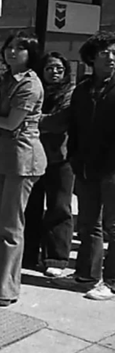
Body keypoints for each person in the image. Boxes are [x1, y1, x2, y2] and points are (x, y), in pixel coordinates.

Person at [0, 32, 47, 307]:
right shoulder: (8, 79)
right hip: (8, 157)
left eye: (20, 49)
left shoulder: (30, 84)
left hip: (23, 159)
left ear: (31, 54)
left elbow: (11, 122)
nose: (12, 52)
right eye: (9, 47)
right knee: (2, 222)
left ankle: (5, 288)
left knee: (11, 227)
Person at [58, 31, 115, 300]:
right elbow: (72, 123)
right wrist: (73, 156)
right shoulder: (82, 89)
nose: (112, 58)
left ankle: (112, 281)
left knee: (114, 226)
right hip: (86, 166)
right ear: (91, 58)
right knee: (89, 224)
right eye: (105, 53)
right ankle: (86, 275)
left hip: (113, 168)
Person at [24, 51, 75, 278]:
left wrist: (32, 118)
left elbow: (58, 122)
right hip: (33, 156)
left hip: (60, 159)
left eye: (59, 69)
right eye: (49, 68)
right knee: (31, 207)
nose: (54, 72)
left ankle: (56, 257)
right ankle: (28, 254)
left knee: (59, 208)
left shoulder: (70, 92)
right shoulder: (34, 89)